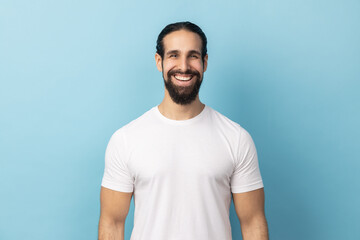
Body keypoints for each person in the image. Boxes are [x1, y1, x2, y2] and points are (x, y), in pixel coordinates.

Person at [98, 21, 269, 240]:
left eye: (193, 56)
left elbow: (253, 222)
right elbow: (112, 223)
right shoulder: (126, 139)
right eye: (174, 55)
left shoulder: (236, 138)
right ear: (159, 61)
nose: (184, 66)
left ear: (205, 62)